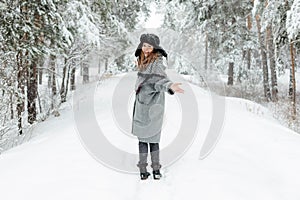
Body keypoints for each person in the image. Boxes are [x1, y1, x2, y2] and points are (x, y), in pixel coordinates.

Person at [131, 33, 184, 180]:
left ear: (154, 48)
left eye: (149, 46)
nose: (146, 48)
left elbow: (160, 81)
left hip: (153, 107)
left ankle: (155, 170)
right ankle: (144, 170)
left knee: (153, 140)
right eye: (144, 45)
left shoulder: (157, 63)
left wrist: (170, 86)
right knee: (144, 140)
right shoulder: (144, 62)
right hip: (143, 107)